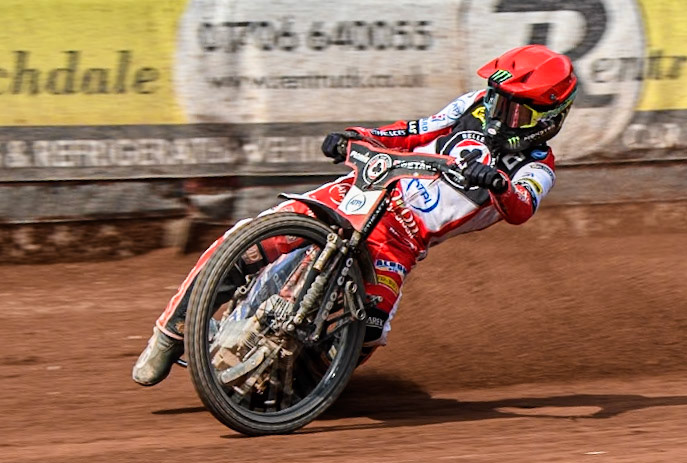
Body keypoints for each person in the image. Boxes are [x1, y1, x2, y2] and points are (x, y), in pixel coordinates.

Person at [131, 45, 576, 386]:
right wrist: (358, 136)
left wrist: (498, 183)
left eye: (511, 105)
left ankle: (308, 386)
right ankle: (169, 335)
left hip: (401, 240)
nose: (496, 108)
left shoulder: (537, 167)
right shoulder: (475, 105)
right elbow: (414, 131)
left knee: (369, 329)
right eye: (497, 97)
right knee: (254, 235)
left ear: (546, 117)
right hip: (364, 189)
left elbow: (521, 208)